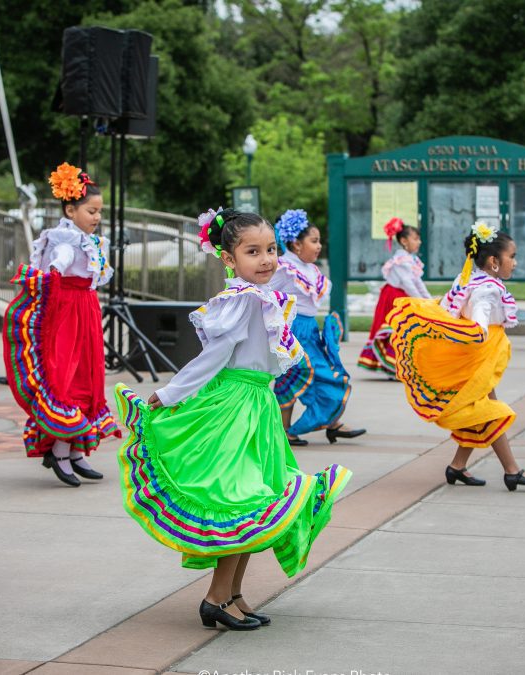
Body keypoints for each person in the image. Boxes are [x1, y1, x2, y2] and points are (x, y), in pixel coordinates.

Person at [111, 208, 351, 631]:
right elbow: (213, 358)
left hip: (257, 405)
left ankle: (234, 595)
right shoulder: (242, 299)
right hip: (234, 407)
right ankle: (215, 598)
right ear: (229, 258)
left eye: (272, 250)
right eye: (252, 251)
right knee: (243, 503)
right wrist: (170, 393)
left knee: (258, 506)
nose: (266, 259)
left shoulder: (265, 295)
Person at [386, 222, 525, 490]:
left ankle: (458, 466)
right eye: (512, 257)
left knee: (479, 411)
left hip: (476, 358)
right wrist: (479, 333)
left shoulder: (467, 279)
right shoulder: (488, 290)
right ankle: (512, 471)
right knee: (489, 411)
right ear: (494, 260)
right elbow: (479, 325)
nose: (515, 263)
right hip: (478, 359)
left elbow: (451, 310)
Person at [2, 162, 119, 487]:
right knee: (65, 375)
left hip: (86, 307)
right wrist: (55, 268)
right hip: (67, 309)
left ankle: (75, 451)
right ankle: (61, 450)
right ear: (70, 209)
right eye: (91, 211)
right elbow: (63, 257)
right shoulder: (65, 238)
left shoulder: (89, 239)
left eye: (99, 212)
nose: (96, 217)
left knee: (87, 373)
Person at [270, 208, 365, 446]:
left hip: (309, 330)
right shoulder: (284, 268)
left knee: (326, 374)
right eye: (314, 241)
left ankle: (331, 423)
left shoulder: (310, 270)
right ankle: (285, 430)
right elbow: (265, 293)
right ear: (296, 244)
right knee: (294, 375)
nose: (319, 245)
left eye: (319, 240)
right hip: (291, 331)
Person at [358, 218, 431, 375]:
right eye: (415, 239)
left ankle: (399, 364)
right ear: (404, 241)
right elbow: (407, 283)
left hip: (402, 297)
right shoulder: (400, 261)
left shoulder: (411, 260)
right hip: (394, 299)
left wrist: (429, 300)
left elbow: (417, 282)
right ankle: (394, 365)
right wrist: (422, 301)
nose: (419, 242)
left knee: (404, 330)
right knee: (396, 329)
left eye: (419, 239)